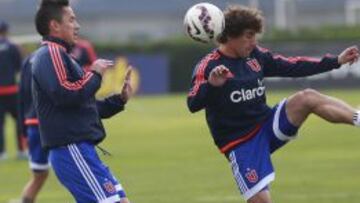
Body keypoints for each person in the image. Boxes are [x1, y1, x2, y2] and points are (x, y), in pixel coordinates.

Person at [187, 5, 360, 203]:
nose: (254, 42)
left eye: (255, 36)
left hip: (267, 125)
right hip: (240, 143)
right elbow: (193, 103)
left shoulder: (255, 56)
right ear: (231, 36)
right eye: (249, 36)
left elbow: (293, 65)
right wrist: (212, 85)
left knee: (307, 97)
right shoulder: (208, 66)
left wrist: (336, 61)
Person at [32, 0, 132, 202]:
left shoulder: (62, 55)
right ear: (55, 25)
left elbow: (84, 105)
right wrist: (94, 74)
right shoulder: (50, 53)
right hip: (72, 149)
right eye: (71, 20)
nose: (77, 26)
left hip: (82, 150)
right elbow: (65, 94)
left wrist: (119, 100)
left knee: (121, 200)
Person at [18, 53, 50, 203]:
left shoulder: (28, 60)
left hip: (32, 123)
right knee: (77, 174)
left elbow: (22, 96)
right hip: (54, 124)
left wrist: (23, 132)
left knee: (39, 175)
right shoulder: (59, 56)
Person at [0, 19, 26, 160]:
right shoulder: (13, 46)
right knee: (19, 121)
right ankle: (21, 151)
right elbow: (19, 67)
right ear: (6, 31)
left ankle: (1, 153)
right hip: (12, 90)